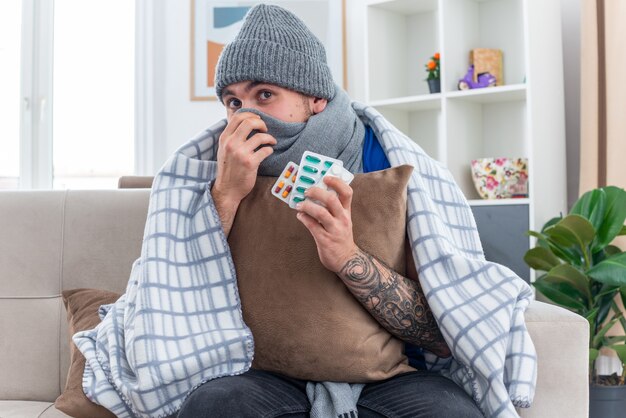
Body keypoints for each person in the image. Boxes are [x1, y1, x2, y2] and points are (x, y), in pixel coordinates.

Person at [177, 4, 484, 418]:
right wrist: (227, 194)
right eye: (233, 101)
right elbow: (181, 299)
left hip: (389, 378)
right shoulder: (217, 170)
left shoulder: (385, 160)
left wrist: (347, 257)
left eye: (264, 94)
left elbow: (438, 334)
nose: (246, 115)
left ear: (316, 97)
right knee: (210, 407)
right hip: (260, 375)